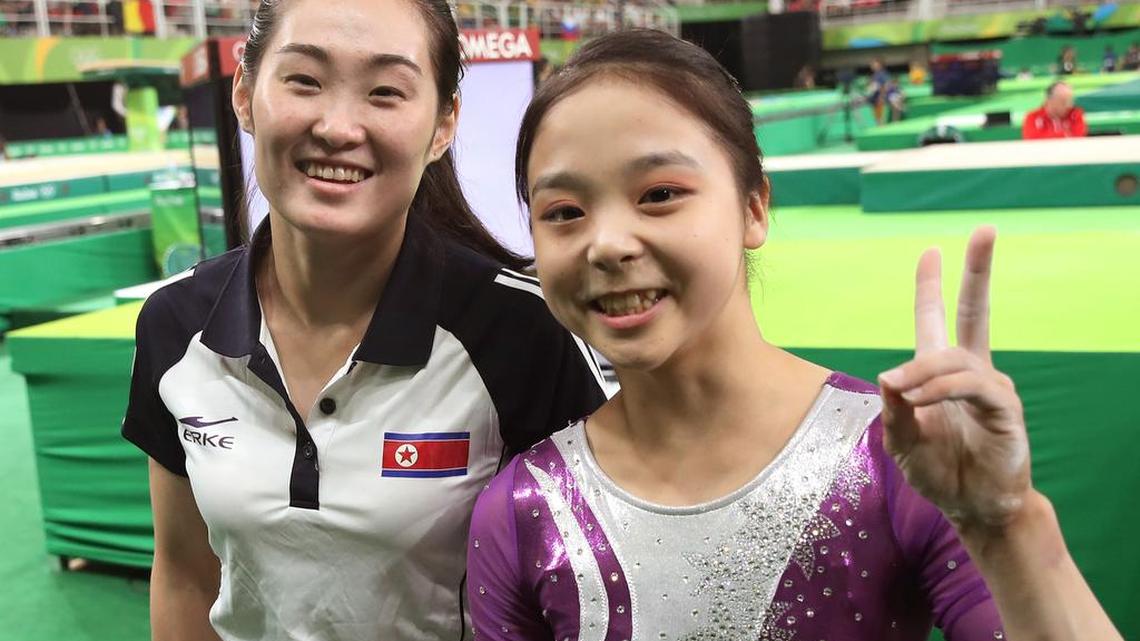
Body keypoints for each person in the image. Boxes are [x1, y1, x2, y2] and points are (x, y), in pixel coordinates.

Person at [466, 29, 1123, 641]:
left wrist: (1007, 524)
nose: (606, 243)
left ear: (754, 207)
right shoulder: (521, 509)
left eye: (660, 193)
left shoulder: (894, 459)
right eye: (564, 212)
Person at [121, 0, 607, 639]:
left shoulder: (523, 331)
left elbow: (587, 590)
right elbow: (186, 574)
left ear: (442, 125)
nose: (338, 127)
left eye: (386, 92)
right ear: (244, 92)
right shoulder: (174, 324)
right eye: (304, 80)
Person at [1022, 81, 1088, 140]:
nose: (1069, 105)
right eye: (1063, 101)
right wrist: (1065, 136)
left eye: (1070, 100)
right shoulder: (1033, 117)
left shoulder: (1075, 114)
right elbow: (1034, 142)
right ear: (1050, 101)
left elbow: (1079, 139)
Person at [867, 58, 891, 124]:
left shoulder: (883, 74)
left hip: (880, 97)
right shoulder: (874, 75)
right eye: (872, 64)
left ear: (880, 65)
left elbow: (886, 85)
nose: (873, 66)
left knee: (881, 118)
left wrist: (882, 96)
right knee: (876, 118)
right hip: (874, 98)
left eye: (875, 64)